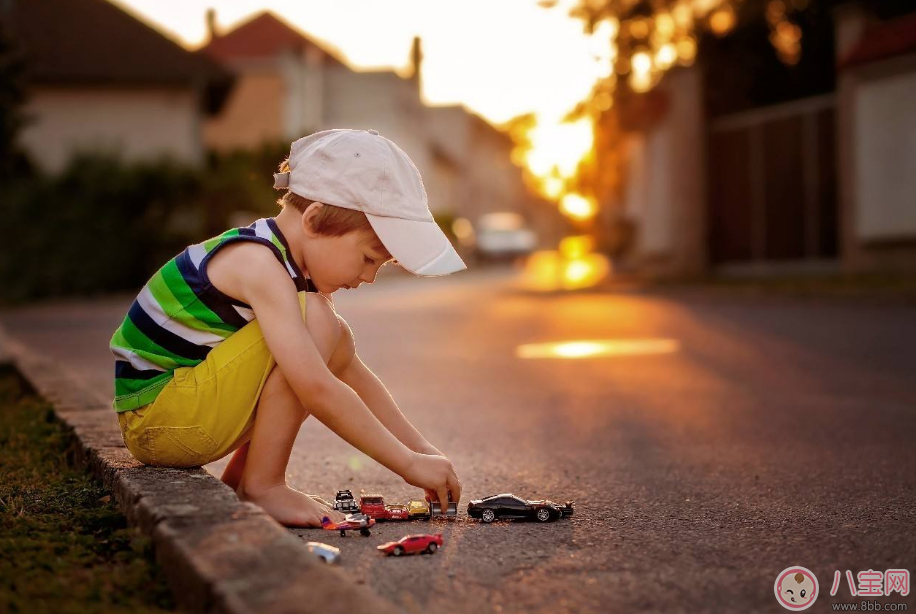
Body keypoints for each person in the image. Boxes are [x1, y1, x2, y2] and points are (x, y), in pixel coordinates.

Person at [109, 129, 465, 527]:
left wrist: (423, 452)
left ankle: (249, 480)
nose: (369, 278)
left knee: (332, 334)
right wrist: (407, 464)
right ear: (313, 220)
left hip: (178, 415)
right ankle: (263, 486)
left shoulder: (282, 266)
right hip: (163, 421)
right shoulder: (258, 264)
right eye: (368, 259)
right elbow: (315, 388)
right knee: (318, 321)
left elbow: (353, 375)